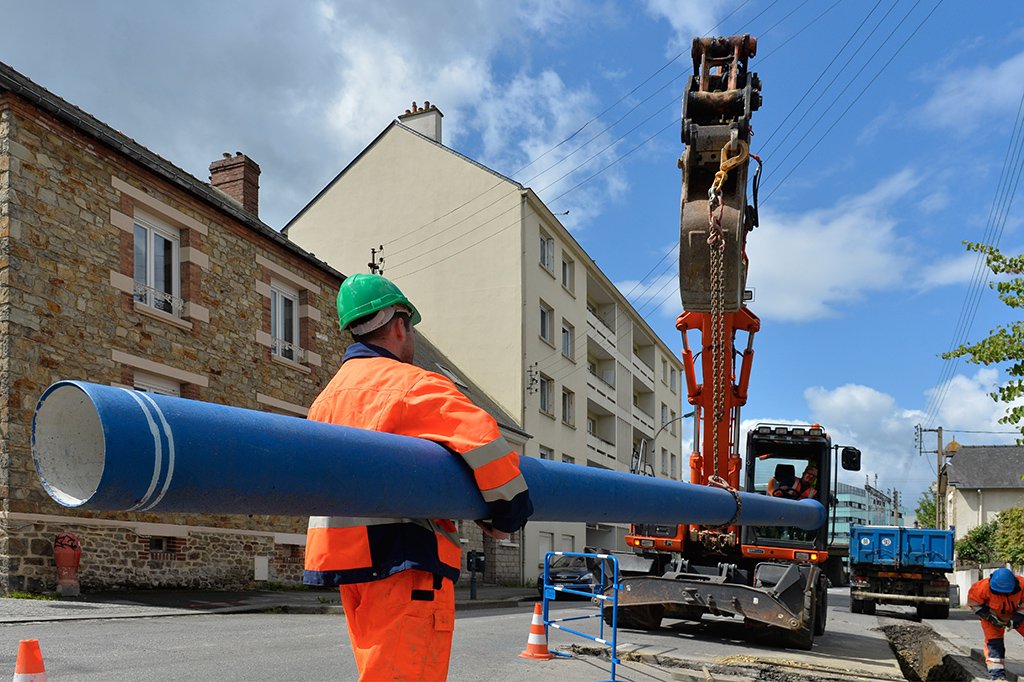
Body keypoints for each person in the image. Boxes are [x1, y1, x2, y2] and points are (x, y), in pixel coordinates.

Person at [303, 273, 534, 681]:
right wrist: (506, 517)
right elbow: (485, 443)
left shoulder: (325, 400)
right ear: (399, 325)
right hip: (404, 563)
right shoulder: (412, 385)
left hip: (349, 566)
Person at [968, 567, 1024, 680]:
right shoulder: (981, 587)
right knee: (994, 644)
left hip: (1017, 613)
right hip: (992, 616)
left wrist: (1017, 618)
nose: (1002, 594)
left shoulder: (1022, 585)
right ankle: (997, 676)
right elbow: (973, 602)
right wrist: (988, 617)